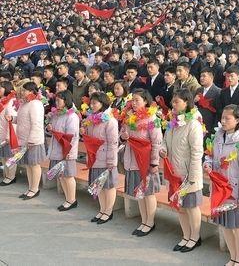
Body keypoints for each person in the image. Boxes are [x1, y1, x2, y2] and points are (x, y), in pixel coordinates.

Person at [206, 105, 239, 266]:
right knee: (225, 225)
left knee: (237, 226)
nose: (223, 121)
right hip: (220, 190)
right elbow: (210, 155)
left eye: (227, 118)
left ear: (237, 120)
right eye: (222, 118)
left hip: (234, 190)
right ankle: (232, 257)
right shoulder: (218, 135)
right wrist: (207, 164)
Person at [161, 89, 204, 252]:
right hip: (174, 172)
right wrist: (163, 149)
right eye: (173, 101)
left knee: (191, 207)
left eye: (177, 101)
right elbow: (165, 141)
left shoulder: (193, 123)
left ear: (186, 103)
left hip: (188, 174)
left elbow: (197, 152)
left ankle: (195, 237)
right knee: (180, 207)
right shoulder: (172, 122)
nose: (173, 104)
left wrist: (192, 176)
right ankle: (186, 236)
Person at [119, 89, 163, 236]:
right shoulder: (129, 116)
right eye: (133, 100)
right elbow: (123, 133)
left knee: (148, 193)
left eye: (137, 100)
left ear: (145, 101)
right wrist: (123, 137)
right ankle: (143, 221)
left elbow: (157, 142)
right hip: (132, 158)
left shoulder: (152, 118)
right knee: (139, 192)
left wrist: (154, 163)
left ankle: (150, 222)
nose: (134, 103)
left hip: (146, 160)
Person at [81, 92, 119, 224]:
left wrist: (111, 161)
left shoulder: (111, 121)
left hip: (105, 158)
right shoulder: (91, 119)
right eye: (91, 103)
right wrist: (84, 131)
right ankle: (102, 209)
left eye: (95, 103)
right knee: (99, 186)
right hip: (95, 157)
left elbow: (113, 143)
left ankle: (108, 211)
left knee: (108, 186)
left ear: (102, 103)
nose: (92, 105)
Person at [46, 90, 80, 211]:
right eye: (56, 100)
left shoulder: (71, 116)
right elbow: (52, 130)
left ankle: (71, 200)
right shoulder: (57, 114)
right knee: (62, 176)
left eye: (59, 100)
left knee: (68, 176)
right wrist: (49, 128)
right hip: (57, 149)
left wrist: (68, 152)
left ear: (66, 101)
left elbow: (72, 137)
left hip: (66, 151)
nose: (56, 102)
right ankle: (68, 199)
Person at [15, 81, 46, 200]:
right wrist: (12, 118)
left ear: (32, 91)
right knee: (28, 165)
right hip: (24, 140)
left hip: (33, 141)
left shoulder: (35, 104)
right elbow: (22, 119)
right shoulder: (24, 103)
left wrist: (32, 140)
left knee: (34, 165)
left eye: (24, 90)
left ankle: (35, 189)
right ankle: (30, 188)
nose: (22, 92)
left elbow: (36, 123)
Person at [0, 81, 17, 186]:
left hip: (8, 133)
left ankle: (11, 176)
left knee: (9, 156)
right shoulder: (2, 101)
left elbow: (12, 120)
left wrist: (8, 136)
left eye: (1, 88)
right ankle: (6, 174)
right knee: (3, 156)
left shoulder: (11, 101)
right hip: (1, 131)